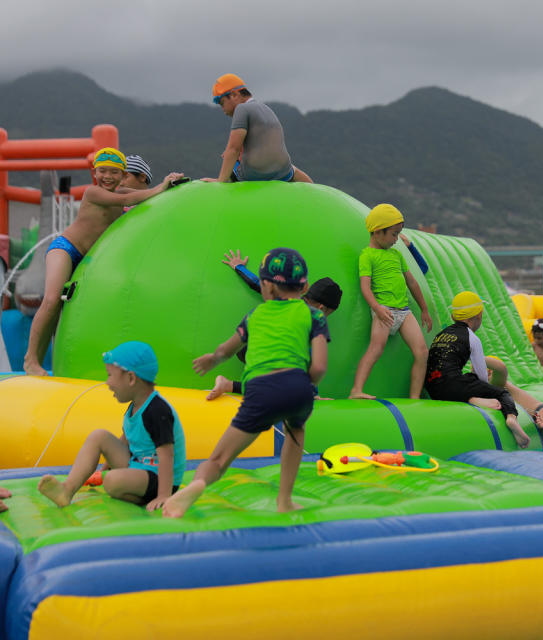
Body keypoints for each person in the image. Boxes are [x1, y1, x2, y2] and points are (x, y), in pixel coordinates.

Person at [163, 248, 329, 517]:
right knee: (296, 432)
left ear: (265, 285)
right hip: (298, 387)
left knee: (218, 460)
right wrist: (306, 384)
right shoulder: (314, 315)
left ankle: (198, 484)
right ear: (305, 285)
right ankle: (284, 500)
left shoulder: (255, 316)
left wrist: (212, 360)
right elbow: (320, 366)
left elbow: (226, 350)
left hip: (259, 391)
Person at [23, 148, 183, 376]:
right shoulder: (93, 193)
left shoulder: (122, 191)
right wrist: (162, 185)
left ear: (122, 174)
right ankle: (31, 359)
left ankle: (42, 363)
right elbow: (128, 199)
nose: (107, 177)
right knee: (50, 300)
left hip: (88, 259)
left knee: (61, 308)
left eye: (114, 173)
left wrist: (175, 184)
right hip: (66, 249)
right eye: (102, 171)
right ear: (94, 173)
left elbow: (141, 196)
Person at [38, 341, 186, 511]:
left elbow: (167, 455)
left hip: (160, 478)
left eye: (110, 375)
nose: (107, 383)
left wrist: (164, 496)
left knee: (112, 480)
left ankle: (143, 495)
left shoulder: (157, 410)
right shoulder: (135, 406)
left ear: (131, 378)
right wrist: (104, 468)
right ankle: (67, 490)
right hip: (138, 467)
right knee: (98, 436)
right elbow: (127, 439)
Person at [425, 291, 543, 449]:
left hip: (432, 387)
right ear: (479, 316)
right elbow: (482, 377)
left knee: (467, 380)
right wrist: (488, 391)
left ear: (453, 317)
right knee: (501, 393)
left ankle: (472, 399)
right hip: (453, 384)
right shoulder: (471, 337)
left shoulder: (441, 335)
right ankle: (512, 418)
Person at [206, 275, 343, 400]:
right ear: (321, 308)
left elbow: (260, 284)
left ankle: (229, 385)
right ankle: (227, 384)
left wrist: (239, 267)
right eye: (328, 314)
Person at [350, 204, 433, 399]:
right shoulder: (367, 256)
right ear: (378, 232)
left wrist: (424, 309)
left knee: (422, 352)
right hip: (384, 310)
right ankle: (356, 390)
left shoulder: (397, 255)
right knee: (375, 349)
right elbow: (365, 286)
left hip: (403, 311)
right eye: (394, 234)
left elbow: (412, 282)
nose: (396, 240)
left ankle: (414, 398)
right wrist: (377, 308)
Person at [210, 73, 312, 184]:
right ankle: (314, 190)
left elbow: (234, 149)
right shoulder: (266, 108)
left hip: (253, 174)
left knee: (229, 157)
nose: (223, 110)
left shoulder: (241, 109)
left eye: (222, 103)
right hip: (282, 172)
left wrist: (220, 181)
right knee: (293, 169)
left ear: (234, 95)